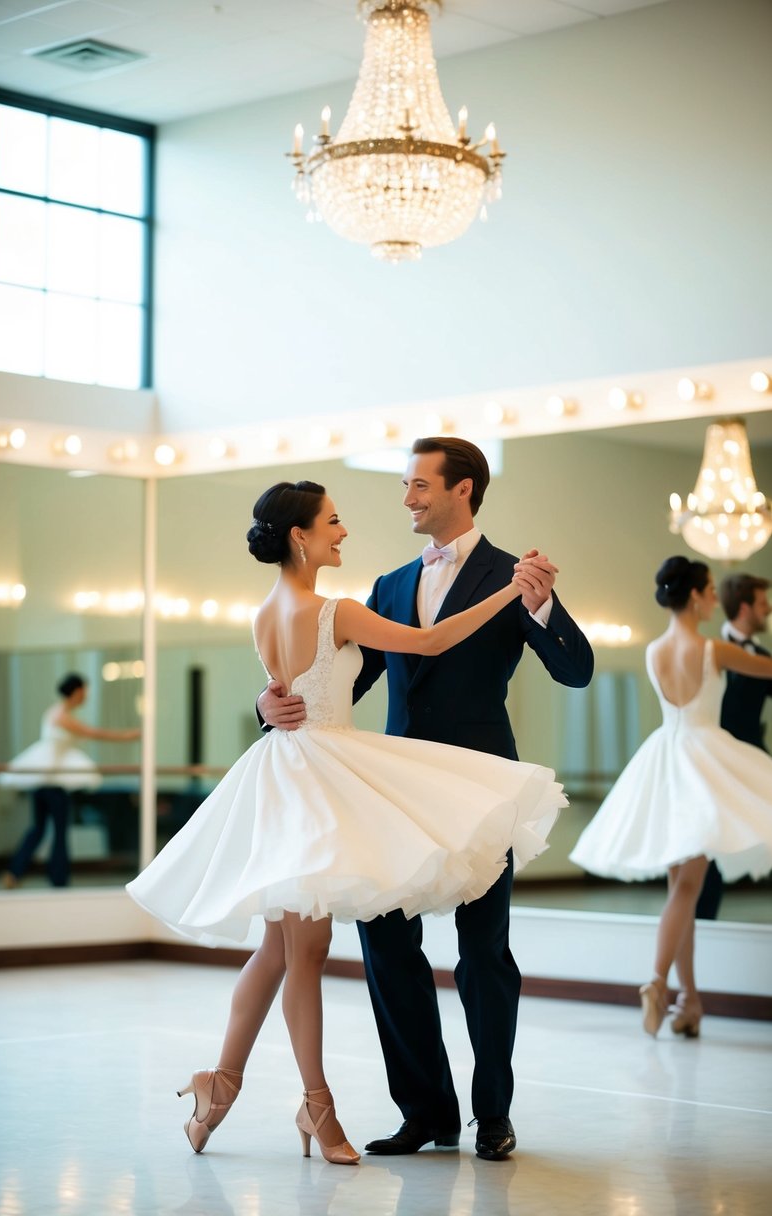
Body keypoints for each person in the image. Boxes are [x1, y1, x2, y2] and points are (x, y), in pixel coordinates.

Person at [127, 478, 567, 1167]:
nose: (343, 531)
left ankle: (222, 1086)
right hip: (314, 779)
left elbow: (289, 690)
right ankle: (314, 1104)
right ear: (300, 535)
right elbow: (431, 641)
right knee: (298, 953)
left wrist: (266, 704)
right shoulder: (334, 610)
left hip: (285, 772)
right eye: (333, 521)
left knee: (279, 951)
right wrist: (514, 590)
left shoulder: (263, 611)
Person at [259, 440, 594, 1163]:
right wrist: (268, 703)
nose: (406, 497)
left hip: (478, 790)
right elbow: (338, 678)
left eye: (417, 484)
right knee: (385, 948)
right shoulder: (384, 584)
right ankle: (424, 1112)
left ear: (460, 489)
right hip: (392, 795)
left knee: (483, 954)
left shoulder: (514, 576)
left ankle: (492, 1116)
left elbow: (577, 671)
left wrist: (542, 606)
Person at [570, 556, 772, 1039]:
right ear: (699, 596)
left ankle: (691, 1000)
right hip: (702, 762)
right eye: (707, 591)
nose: (710, 599)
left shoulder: (653, 650)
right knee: (686, 889)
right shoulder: (713, 649)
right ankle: (657, 983)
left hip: (664, 759)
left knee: (680, 890)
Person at [0, 673, 140, 888]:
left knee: (39, 829)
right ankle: (56, 879)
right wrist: (129, 736)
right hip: (52, 783)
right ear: (76, 692)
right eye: (84, 691)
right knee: (56, 831)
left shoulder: (56, 713)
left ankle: (16, 873)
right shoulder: (61, 716)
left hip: (45, 780)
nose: (86, 696)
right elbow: (93, 733)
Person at [696, 572, 771, 919]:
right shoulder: (705, 651)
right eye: (762, 603)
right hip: (716, 766)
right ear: (744, 607)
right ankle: (704, 927)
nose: (768, 609)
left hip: (755, 761)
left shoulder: (763, 656)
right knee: (710, 846)